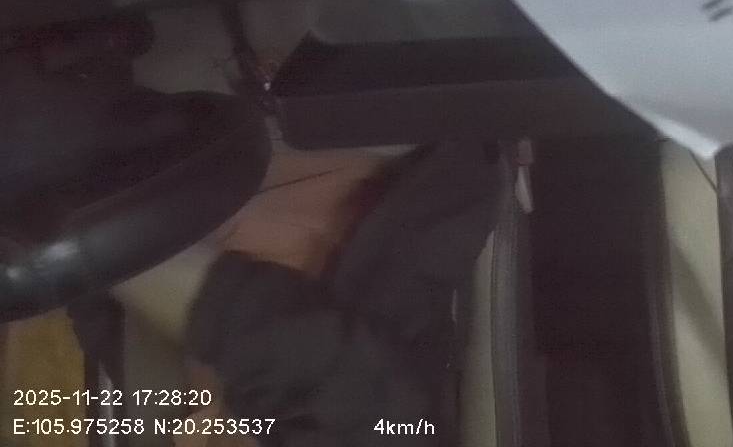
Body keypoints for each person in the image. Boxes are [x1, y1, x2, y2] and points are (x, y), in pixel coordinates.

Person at [73, 142, 509, 447]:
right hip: (335, 149)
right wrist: (92, 248)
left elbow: (112, 329)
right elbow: (335, 372)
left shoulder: (164, 420)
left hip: (146, 165)